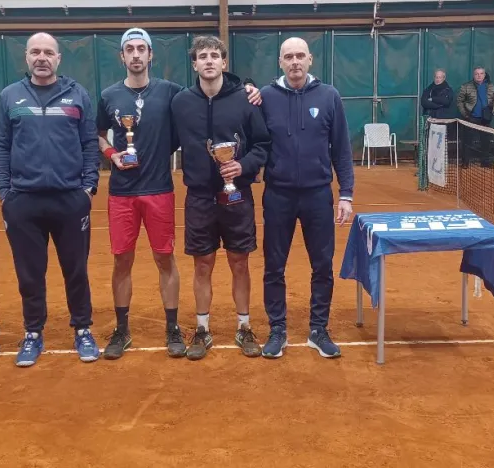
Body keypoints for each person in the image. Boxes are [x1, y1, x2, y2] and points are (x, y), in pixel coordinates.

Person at [96, 28, 261, 360]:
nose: (137, 54)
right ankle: (172, 329)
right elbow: (100, 132)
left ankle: (227, 327)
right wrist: (114, 154)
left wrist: (253, 92)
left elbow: (261, 143)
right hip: (169, 194)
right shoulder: (158, 98)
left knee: (230, 261)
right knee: (158, 262)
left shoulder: (194, 95)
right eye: (131, 49)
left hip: (207, 193)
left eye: (142, 48)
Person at [0, 32, 101, 366]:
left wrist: (88, 187)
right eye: (35, 52)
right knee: (29, 273)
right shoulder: (10, 96)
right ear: (26, 57)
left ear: (58, 59)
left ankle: (82, 329)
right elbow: (0, 144)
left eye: (48, 52)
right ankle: (33, 333)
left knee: (76, 270)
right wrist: (4, 191)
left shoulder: (77, 94)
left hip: (70, 200)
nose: (41, 57)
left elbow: (89, 144)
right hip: (23, 201)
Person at [170, 35, 271, 361]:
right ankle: (202, 329)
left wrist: (243, 165)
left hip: (237, 195)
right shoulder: (181, 103)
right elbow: (166, 141)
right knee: (203, 264)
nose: (209, 61)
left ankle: (244, 326)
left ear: (224, 63)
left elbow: (262, 145)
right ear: (195, 64)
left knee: (239, 262)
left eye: (215, 55)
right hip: (199, 197)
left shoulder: (246, 99)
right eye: (203, 56)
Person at [257, 37, 354, 359]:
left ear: (310, 60)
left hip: (317, 196)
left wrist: (346, 195)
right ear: (280, 62)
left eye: (300, 56)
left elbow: (341, 149)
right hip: (278, 195)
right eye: (289, 57)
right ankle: (277, 330)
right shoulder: (265, 98)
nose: (295, 61)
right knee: (274, 266)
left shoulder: (329, 96)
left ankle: (318, 329)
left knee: (322, 265)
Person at [418, 69, 454, 187]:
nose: (438, 79)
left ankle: (440, 168)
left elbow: (446, 101)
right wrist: (437, 104)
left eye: (440, 77)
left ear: (444, 78)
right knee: (427, 145)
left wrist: (432, 99)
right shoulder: (428, 89)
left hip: (441, 122)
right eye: (436, 77)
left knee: (440, 146)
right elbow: (424, 102)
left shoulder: (448, 89)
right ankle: (424, 170)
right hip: (429, 121)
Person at [456, 66, 494, 167]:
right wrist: (465, 114)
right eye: (477, 74)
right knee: (467, 141)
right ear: (474, 75)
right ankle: (465, 162)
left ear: (484, 75)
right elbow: (459, 101)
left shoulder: (491, 86)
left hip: (485, 119)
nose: (479, 76)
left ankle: (485, 162)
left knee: (486, 142)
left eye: (481, 73)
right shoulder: (466, 86)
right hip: (471, 118)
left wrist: (493, 112)